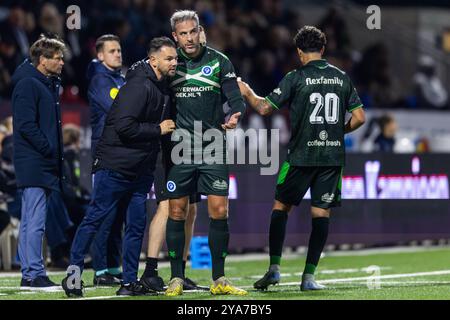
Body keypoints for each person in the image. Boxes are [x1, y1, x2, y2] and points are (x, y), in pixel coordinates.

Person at [238, 26, 366, 291]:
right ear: (323, 49)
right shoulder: (342, 78)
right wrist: (338, 130)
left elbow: (263, 108)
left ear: (299, 52)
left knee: (280, 208)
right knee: (321, 213)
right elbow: (360, 118)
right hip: (331, 158)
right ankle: (309, 277)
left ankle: (274, 269)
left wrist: (247, 91)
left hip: (300, 156)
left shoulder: (295, 77)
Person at [62, 37, 178, 297]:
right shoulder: (138, 86)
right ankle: (73, 276)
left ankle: (128, 283)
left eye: (175, 58)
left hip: (139, 169)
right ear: (153, 60)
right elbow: (124, 126)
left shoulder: (161, 86)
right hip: (114, 166)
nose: (174, 63)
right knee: (94, 219)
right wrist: (157, 129)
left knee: (136, 225)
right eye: (169, 58)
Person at [163, 10, 247, 297]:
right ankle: (176, 277)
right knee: (177, 210)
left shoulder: (219, 61)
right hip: (180, 147)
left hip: (213, 144)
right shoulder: (170, 61)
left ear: (200, 31)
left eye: (193, 31)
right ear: (175, 36)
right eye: (183, 33)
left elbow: (235, 98)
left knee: (219, 210)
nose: (189, 38)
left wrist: (235, 115)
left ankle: (219, 278)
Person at [139, 26, 209, 293]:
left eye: (199, 38)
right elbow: (146, 74)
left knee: (191, 209)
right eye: (189, 37)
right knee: (168, 206)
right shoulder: (171, 66)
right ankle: (150, 269)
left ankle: (179, 271)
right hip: (167, 148)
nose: (194, 42)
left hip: (190, 147)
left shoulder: (202, 68)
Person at [11, 34, 65, 288]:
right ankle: (33, 273)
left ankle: (29, 272)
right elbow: (24, 125)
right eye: (57, 58)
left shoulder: (44, 83)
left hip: (37, 161)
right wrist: (48, 149)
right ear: (42, 60)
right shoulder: (28, 84)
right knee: (35, 220)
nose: (62, 62)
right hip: (34, 162)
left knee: (30, 219)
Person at [86, 34, 126, 286]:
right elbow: (118, 111)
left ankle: (113, 266)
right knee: (105, 213)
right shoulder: (99, 80)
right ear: (100, 55)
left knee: (118, 214)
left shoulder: (119, 79)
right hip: (105, 153)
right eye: (112, 51)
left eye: (119, 50)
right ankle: (100, 271)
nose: (118, 54)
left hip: (121, 152)